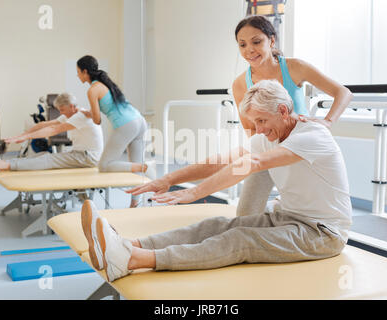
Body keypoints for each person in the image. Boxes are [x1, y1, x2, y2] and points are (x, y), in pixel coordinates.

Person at [82, 80, 352, 282]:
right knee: (218, 225)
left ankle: (130, 260)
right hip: (286, 218)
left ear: (283, 110)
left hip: (323, 234)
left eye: (261, 120)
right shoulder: (268, 135)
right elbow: (220, 161)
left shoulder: (313, 136)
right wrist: (168, 179)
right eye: (253, 122)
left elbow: (253, 164)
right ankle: (130, 244)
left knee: (239, 239)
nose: (258, 130)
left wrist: (195, 192)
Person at [231, 15, 353, 217]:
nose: (249, 50)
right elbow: (251, 129)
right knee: (245, 214)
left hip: (299, 147)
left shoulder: (295, 67)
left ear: (271, 40)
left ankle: (282, 210)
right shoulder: (240, 84)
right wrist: (264, 159)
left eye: (256, 41)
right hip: (267, 150)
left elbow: (344, 93)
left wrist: (328, 121)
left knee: (302, 210)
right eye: (242, 45)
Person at [76, 55, 155, 208]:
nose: (77, 75)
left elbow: (97, 120)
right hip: (139, 121)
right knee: (134, 167)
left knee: (104, 165)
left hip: (126, 125)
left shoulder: (92, 90)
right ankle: (134, 204)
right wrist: (90, 113)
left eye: (78, 72)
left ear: (85, 72)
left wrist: (91, 114)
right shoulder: (105, 83)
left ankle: (145, 167)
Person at [0, 93, 104, 174]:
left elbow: (54, 130)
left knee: (48, 159)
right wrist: (20, 136)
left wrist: (26, 137)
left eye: (62, 110)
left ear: (71, 106)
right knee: (42, 155)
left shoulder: (80, 116)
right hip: (81, 154)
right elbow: (44, 125)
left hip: (89, 157)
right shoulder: (72, 114)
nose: (61, 113)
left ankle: (0, 165)